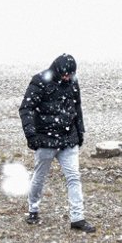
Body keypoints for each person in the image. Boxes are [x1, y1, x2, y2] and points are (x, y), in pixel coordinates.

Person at [19, 54, 96, 233]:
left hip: (68, 139)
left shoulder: (72, 83)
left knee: (74, 177)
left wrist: (80, 131)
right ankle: (33, 209)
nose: (67, 78)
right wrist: (31, 135)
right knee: (39, 177)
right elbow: (26, 108)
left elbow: (77, 108)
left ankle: (77, 218)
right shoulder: (39, 81)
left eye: (70, 74)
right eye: (65, 74)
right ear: (57, 70)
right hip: (45, 140)